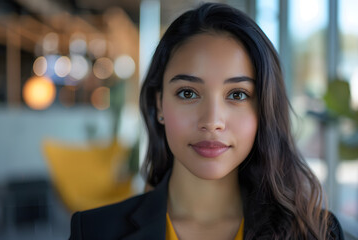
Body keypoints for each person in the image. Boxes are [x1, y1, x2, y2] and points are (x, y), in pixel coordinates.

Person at [69, 3, 344, 240]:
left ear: (264, 108)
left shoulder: (316, 232)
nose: (212, 122)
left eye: (237, 94)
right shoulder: (94, 231)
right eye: (188, 93)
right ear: (158, 103)